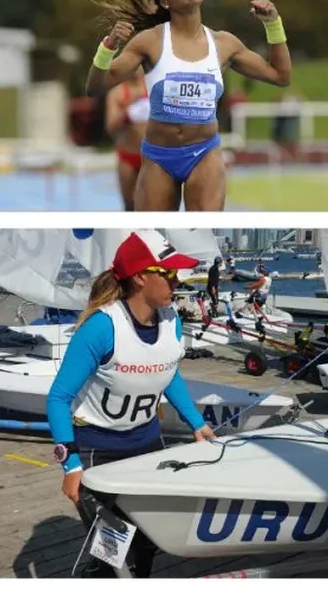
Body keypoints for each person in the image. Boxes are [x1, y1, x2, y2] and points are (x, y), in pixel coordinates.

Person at [45, 231, 216, 577]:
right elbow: (58, 398)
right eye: (167, 274)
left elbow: (169, 373)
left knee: (148, 542)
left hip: (147, 445)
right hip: (99, 451)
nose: (176, 281)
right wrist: (71, 465)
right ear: (140, 277)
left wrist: (196, 423)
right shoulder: (101, 328)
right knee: (114, 553)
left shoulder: (172, 322)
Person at [85, 0, 292, 211]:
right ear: (164, 2)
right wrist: (108, 47)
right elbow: (95, 87)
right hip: (159, 158)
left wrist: (273, 24)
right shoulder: (149, 42)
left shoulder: (225, 44)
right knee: (154, 238)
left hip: (204, 153)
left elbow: (280, 75)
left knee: (200, 236)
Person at [104, 67, 149, 210]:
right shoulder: (117, 93)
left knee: (151, 205)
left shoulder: (154, 87)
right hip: (127, 156)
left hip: (150, 157)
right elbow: (110, 126)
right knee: (129, 205)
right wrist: (127, 109)